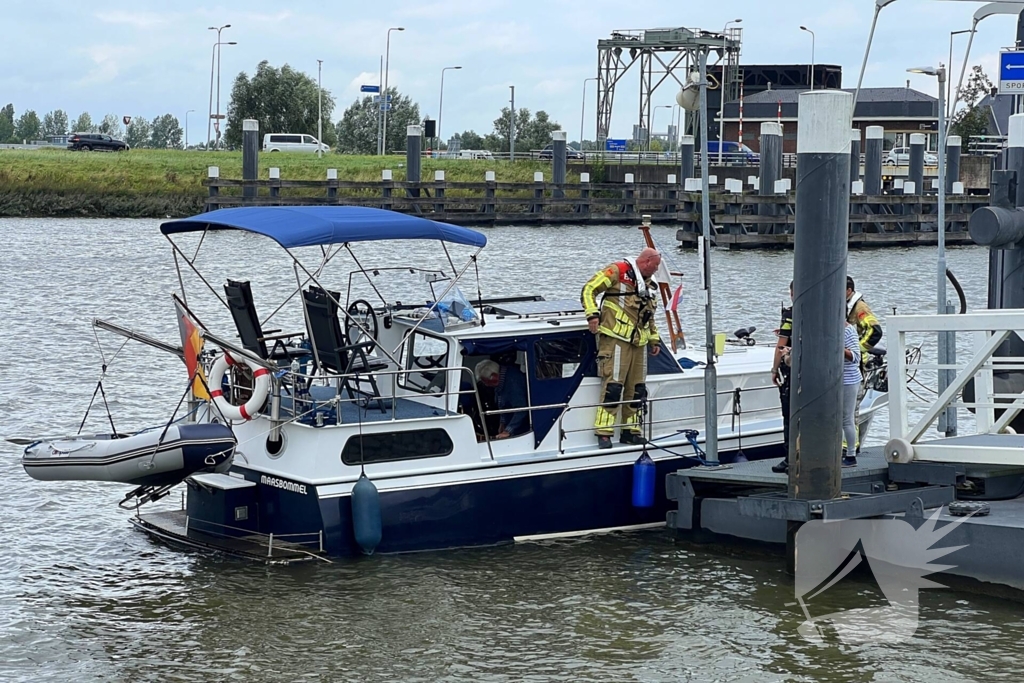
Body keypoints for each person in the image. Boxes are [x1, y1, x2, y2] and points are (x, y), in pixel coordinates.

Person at [581, 248, 662, 449]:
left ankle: (631, 430)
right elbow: (589, 289)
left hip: (639, 343)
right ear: (646, 261)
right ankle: (604, 432)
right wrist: (592, 315)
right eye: (656, 266)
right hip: (616, 338)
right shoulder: (618, 270)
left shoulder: (650, 285)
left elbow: (648, 316)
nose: (657, 270)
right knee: (613, 387)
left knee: (637, 390)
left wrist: (654, 339)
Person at [845, 276, 882, 457]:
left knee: (851, 408)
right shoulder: (846, 306)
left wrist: (857, 349)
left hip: (856, 363)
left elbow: (875, 330)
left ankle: (850, 448)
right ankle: (850, 445)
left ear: (849, 290)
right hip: (848, 362)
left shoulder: (859, 307)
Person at [771, 282, 794, 474]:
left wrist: (774, 369)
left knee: (789, 416)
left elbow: (781, 345)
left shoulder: (790, 315)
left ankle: (790, 459)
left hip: (792, 373)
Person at [475, 360, 529, 439]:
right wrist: (502, 423)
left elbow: (521, 409)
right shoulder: (502, 379)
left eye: (485, 381)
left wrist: (508, 431)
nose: (486, 385)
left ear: (494, 376)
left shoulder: (513, 381)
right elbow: (502, 403)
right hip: (511, 423)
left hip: (522, 429)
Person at [842, 318, 862, 468]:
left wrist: (839, 349)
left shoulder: (848, 330)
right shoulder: (830, 329)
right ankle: (837, 452)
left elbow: (856, 357)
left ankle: (851, 455)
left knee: (846, 418)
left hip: (849, 380)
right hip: (834, 380)